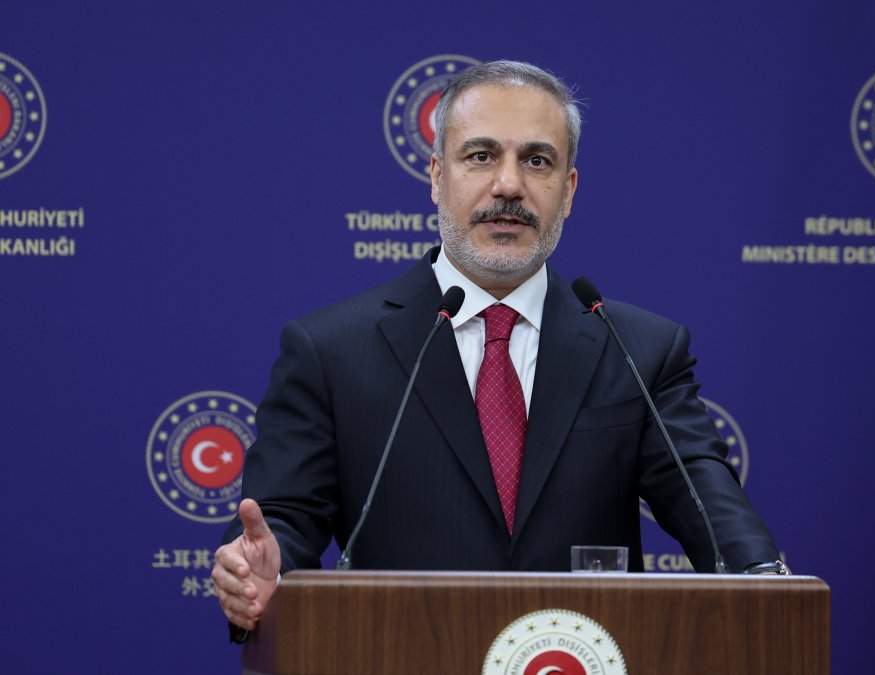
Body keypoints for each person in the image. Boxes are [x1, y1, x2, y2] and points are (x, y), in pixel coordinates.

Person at [212, 60, 785, 637]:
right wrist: (266, 576)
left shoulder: (638, 350)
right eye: (481, 156)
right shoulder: (331, 350)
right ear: (438, 176)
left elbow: (704, 496)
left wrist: (763, 574)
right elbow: (282, 520)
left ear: (568, 190)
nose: (509, 185)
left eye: (537, 161)